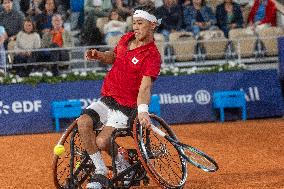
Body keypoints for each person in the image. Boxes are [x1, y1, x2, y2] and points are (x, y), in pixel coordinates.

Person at [78, 3, 161, 189]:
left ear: (153, 25)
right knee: (83, 122)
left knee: (101, 141)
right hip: (108, 99)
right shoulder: (125, 38)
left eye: (140, 23)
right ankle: (100, 170)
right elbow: (114, 57)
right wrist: (99, 55)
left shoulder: (152, 55)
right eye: (134, 23)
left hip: (126, 107)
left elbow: (145, 88)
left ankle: (123, 160)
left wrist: (143, 111)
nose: (136, 27)